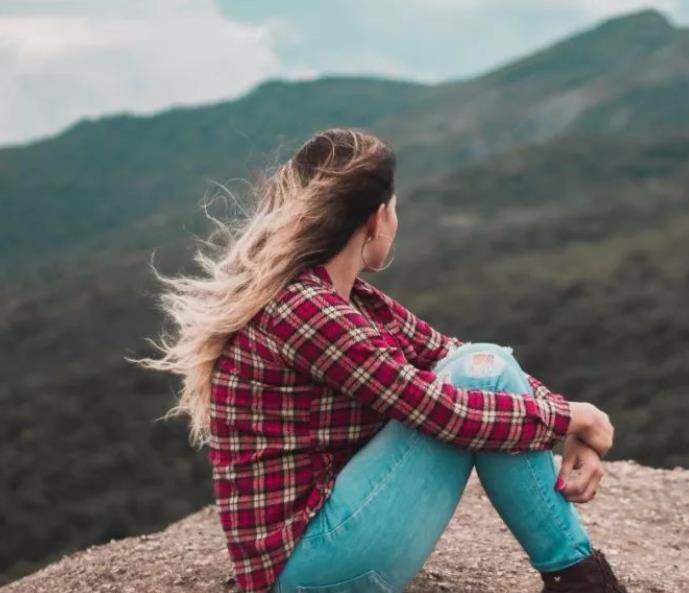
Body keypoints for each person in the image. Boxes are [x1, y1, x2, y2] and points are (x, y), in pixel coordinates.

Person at [132, 127, 629, 593]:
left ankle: (578, 578)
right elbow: (439, 410)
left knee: (483, 363)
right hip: (307, 566)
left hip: (327, 541)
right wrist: (572, 418)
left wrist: (563, 420)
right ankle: (582, 580)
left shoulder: (350, 301)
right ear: (376, 218)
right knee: (481, 377)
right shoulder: (305, 309)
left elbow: (455, 355)